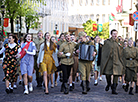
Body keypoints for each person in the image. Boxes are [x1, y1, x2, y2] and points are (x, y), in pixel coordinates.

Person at [100, 29, 124, 95]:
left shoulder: (120, 42)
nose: (115, 35)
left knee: (116, 75)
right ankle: (109, 83)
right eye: (114, 34)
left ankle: (114, 88)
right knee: (108, 74)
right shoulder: (107, 42)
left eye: (116, 33)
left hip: (117, 61)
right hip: (109, 61)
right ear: (111, 34)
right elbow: (104, 52)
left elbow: (122, 52)